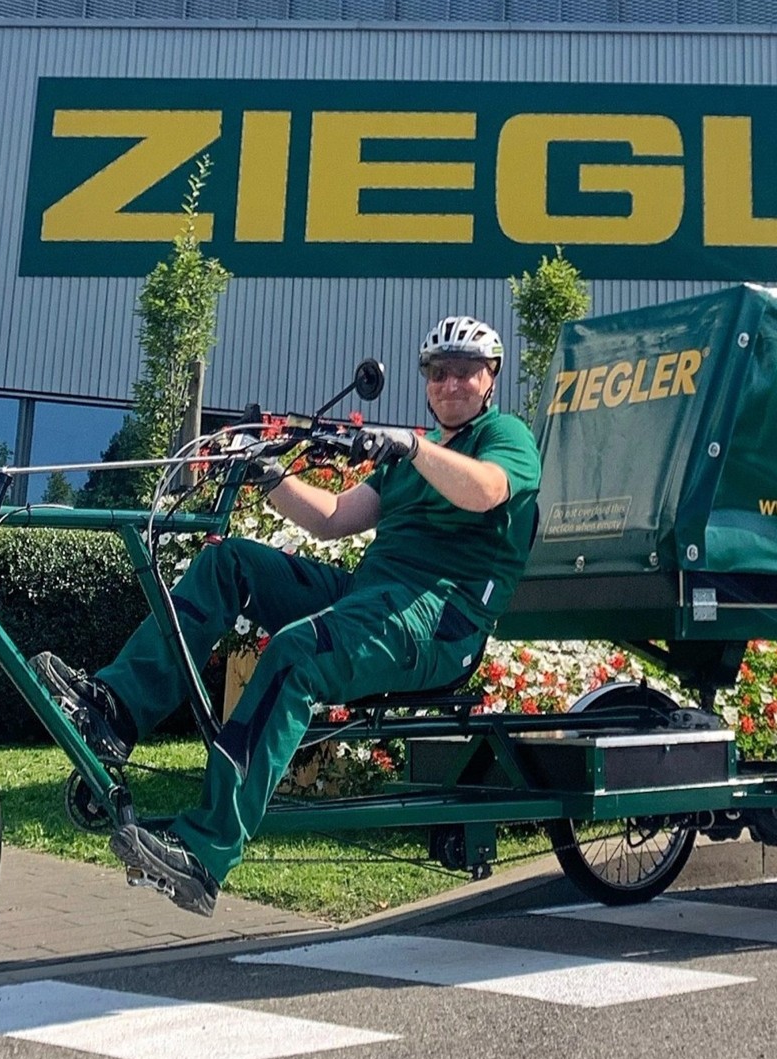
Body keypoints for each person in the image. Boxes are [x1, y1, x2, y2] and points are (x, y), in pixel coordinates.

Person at [30, 315, 541, 915]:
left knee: (297, 653)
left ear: (491, 378)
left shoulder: (503, 436)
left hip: (440, 621)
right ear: (426, 380)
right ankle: (115, 711)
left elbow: (483, 490)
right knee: (229, 565)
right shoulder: (410, 458)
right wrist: (267, 475)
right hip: (371, 597)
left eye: (465, 371)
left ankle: (205, 852)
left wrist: (413, 444)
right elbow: (333, 517)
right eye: (438, 372)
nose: (450, 382)